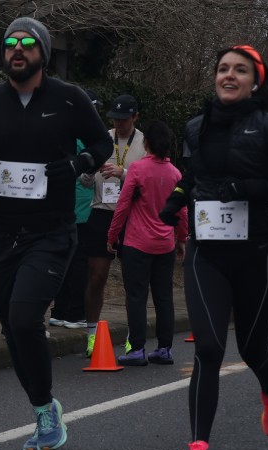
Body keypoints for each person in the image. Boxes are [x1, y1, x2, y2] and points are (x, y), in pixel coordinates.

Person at [0, 16, 112, 450]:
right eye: (9, 43)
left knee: (25, 319)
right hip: (2, 234)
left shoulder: (70, 98)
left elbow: (102, 145)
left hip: (51, 232)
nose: (17, 49)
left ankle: (45, 416)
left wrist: (78, 164)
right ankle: (44, 405)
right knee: (11, 328)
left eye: (27, 43)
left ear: (43, 52)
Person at [159, 45, 268, 450]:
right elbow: (193, 177)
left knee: (251, 349)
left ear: (256, 82)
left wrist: (247, 188)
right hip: (207, 253)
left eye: (240, 70)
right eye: (223, 68)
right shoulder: (195, 126)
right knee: (208, 348)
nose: (229, 75)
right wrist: (175, 200)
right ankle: (199, 449)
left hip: (257, 256)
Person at [106, 120, 187, 366]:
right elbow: (182, 211)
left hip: (137, 243)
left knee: (136, 296)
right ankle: (164, 348)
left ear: (146, 143)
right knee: (164, 296)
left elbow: (122, 205)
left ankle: (137, 349)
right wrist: (181, 238)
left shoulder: (138, 169)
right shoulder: (175, 173)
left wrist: (112, 235)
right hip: (165, 243)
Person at [79, 94, 146, 356]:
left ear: (135, 117)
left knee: (132, 281)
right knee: (97, 277)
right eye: (115, 119)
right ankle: (92, 336)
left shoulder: (144, 143)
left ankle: (133, 337)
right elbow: (84, 181)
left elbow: (150, 180)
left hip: (131, 216)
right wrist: (90, 170)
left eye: (124, 119)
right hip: (101, 213)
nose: (118, 123)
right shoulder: (102, 139)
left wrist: (124, 173)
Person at [50, 90, 100, 331]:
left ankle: (59, 312)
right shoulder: (87, 139)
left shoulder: (63, 133)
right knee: (80, 263)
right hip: (82, 208)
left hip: (64, 207)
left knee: (64, 260)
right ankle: (75, 313)